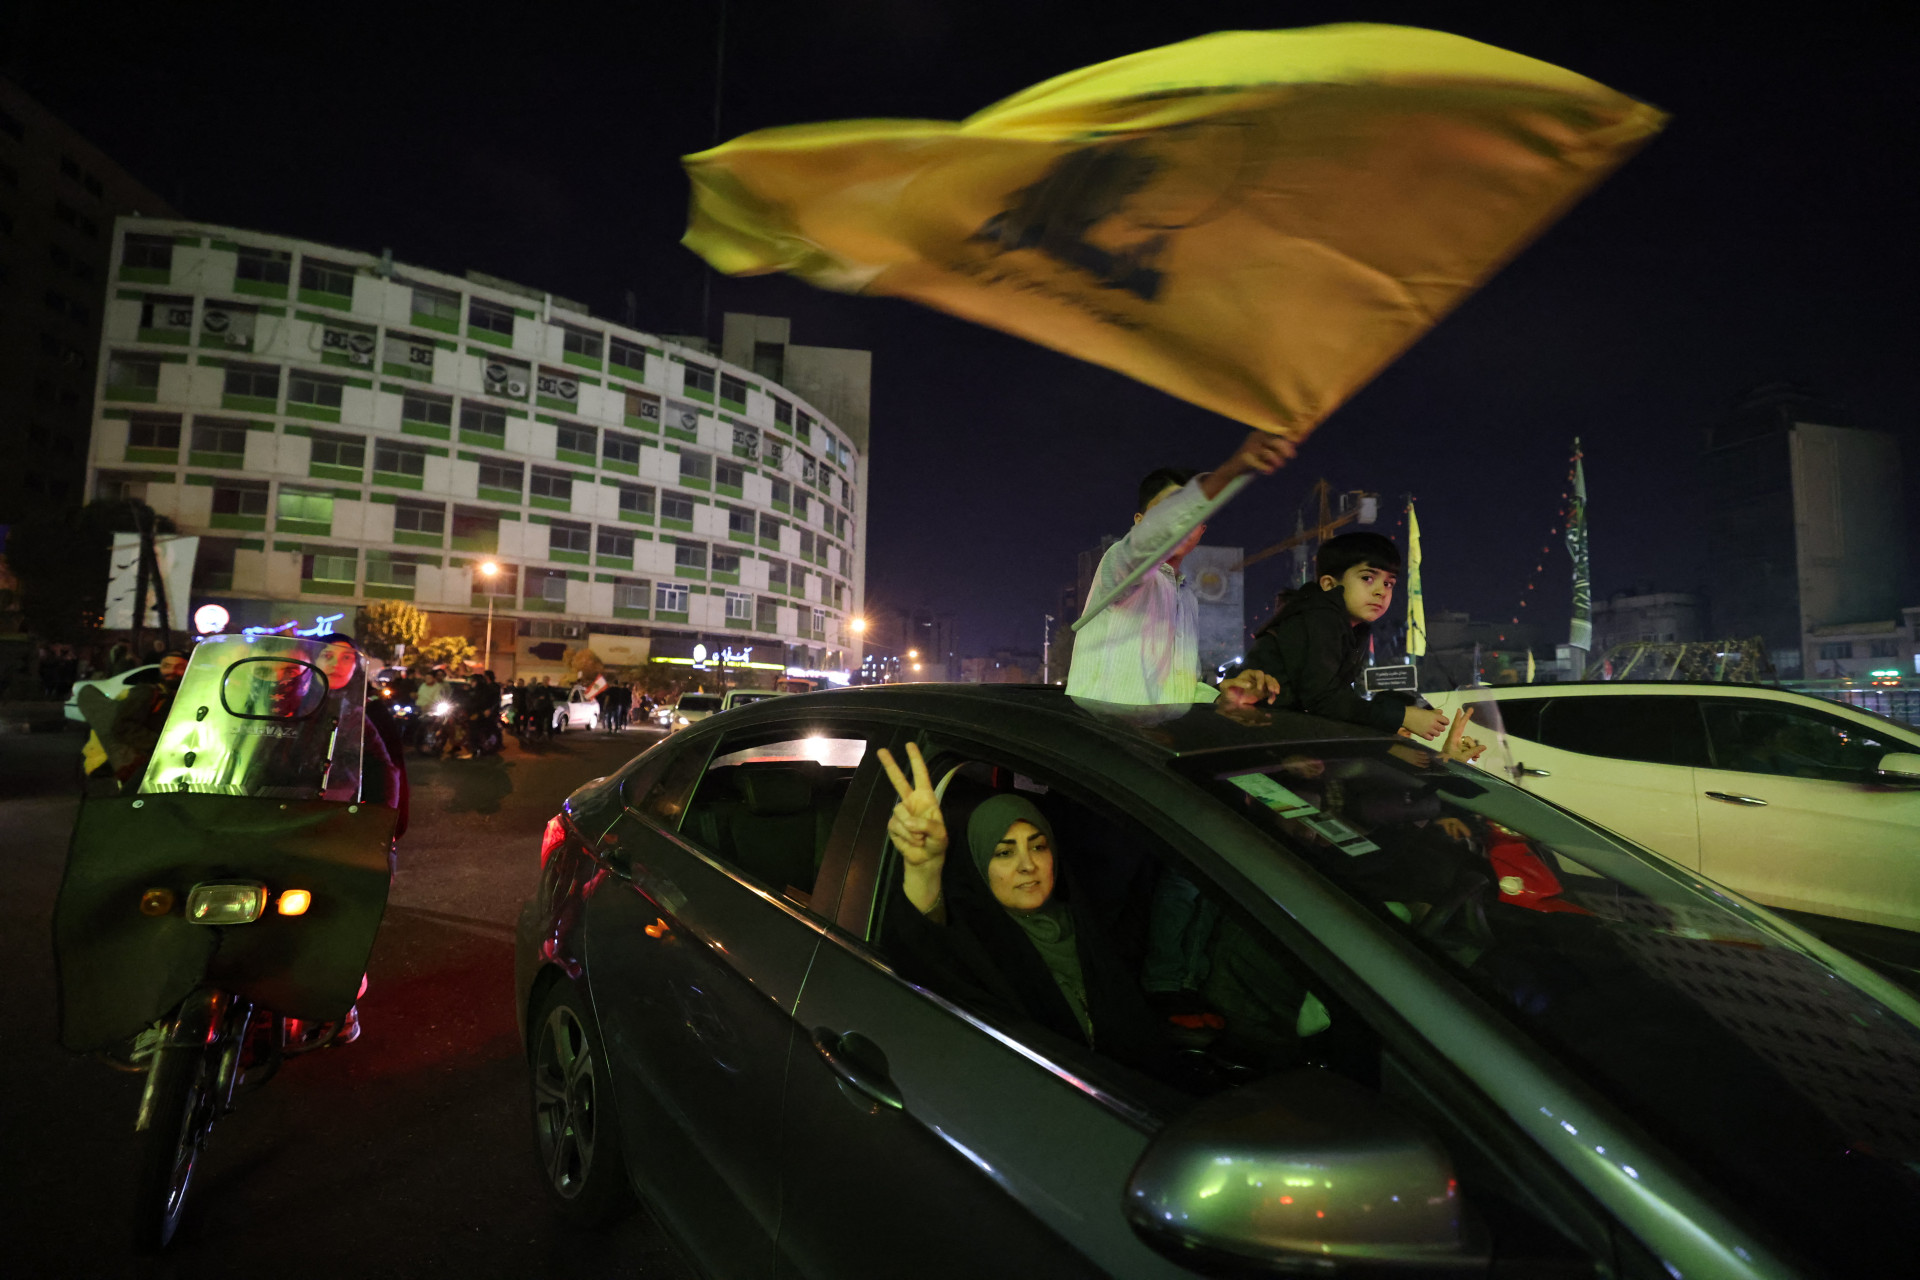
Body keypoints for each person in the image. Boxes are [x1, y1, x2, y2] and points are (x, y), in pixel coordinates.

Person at [876, 743, 1167, 1072]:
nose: (1028, 865)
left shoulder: (1083, 924)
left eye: (1038, 846)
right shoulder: (974, 944)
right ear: (978, 862)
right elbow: (921, 960)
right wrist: (924, 871)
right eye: (1004, 852)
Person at [1067, 430, 1296, 707]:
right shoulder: (1119, 565)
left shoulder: (1187, 597)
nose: (1183, 521)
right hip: (1103, 738)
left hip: (1155, 742)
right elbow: (1142, 546)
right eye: (1170, 510)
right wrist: (1230, 471)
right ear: (1140, 522)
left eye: (1194, 515)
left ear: (1201, 530)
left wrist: (1225, 694)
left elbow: (1181, 688)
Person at [1236, 532, 1450, 740]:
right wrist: (1402, 716)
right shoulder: (1319, 617)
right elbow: (1323, 699)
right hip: (1250, 736)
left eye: (1388, 583)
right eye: (1367, 578)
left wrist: (1411, 708)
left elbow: (1338, 697)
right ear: (1329, 584)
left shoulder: (1351, 626)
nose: (1381, 591)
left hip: (1274, 732)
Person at [104, 648, 189, 789]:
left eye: (180, 667)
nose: (172, 672)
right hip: (148, 762)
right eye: (166, 666)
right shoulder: (146, 693)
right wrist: (158, 744)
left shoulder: (188, 695)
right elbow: (122, 726)